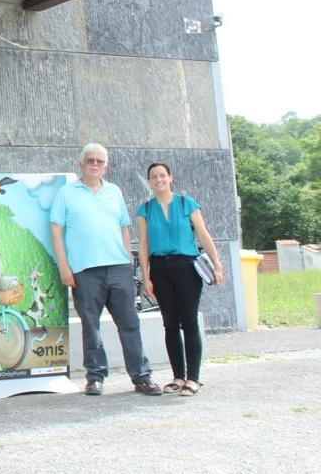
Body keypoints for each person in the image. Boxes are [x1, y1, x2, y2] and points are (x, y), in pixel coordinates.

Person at [51, 143, 162, 396]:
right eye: (90, 160)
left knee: (129, 324)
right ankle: (95, 377)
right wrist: (64, 267)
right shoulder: (66, 193)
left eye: (100, 161)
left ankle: (142, 376)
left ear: (106, 166)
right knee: (91, 325)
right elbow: (56, 231)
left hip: (118, 268)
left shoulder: (114, 191)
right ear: (81, 164)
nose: (95, 164)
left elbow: (124, 227)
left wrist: (126, 261)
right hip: (84, 270)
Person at [136, 162, 225, 397]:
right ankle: (177, 376)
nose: (158, 180)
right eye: (153, 177)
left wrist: (217, 265)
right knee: (170, 323)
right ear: (149, 181)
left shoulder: (187, 204)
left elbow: (203, 235)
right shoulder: (144, 210)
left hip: (186, 266)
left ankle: (193, 378)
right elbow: (143, 244)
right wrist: (145, 277)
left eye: (162, 175)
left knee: (189, 321)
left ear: (170, 178)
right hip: (159, 268)